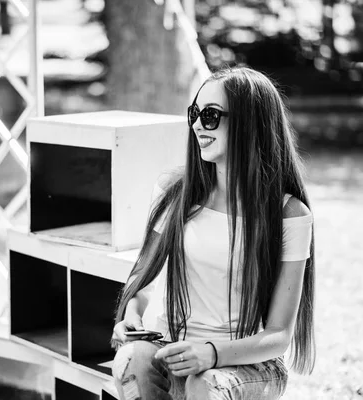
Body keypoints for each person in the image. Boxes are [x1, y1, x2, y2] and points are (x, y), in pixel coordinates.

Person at [110, 66, 315, 400]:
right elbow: (143, 281)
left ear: (251, 124)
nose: (196, 125)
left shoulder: (288, 215)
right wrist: (132, 315)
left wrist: (212, 354)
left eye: (210, 115)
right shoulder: (173, 193)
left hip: (247, 363)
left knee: (204, 385)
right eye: (194, 113)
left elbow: (278, 335)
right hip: (171, 347)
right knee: (131, 361)